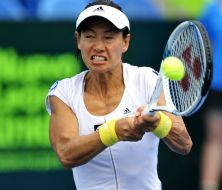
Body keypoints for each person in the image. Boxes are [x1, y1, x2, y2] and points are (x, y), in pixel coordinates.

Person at [45, 0, 192, 189]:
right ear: (78, 40)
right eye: (89, 36)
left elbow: (184, 144)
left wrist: (158, 122)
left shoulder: (147, 80)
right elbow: (66, 154)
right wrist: (113, 131)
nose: (98, 46)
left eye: (108, 37)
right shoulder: (63, 93)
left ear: (125, 42)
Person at [200, 1, 222, 190]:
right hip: (217, 84)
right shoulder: (211, 10)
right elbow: (201, 46)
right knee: (215, 136)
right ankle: (209, 186)